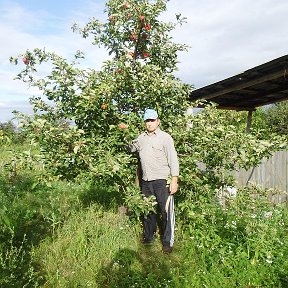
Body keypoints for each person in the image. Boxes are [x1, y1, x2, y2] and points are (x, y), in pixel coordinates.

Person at [128, 108, 179, 254]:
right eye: (147, 120)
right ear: (144, 122)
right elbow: (132, 149)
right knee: (148, 210)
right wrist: (123, 136)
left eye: (152, 120)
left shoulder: (165, 138)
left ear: (158, 121)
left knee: (166, 211)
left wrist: (174, 179)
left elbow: (173, 159)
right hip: (146, 181)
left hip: (162, 181)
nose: (150, 123)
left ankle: (167, 242)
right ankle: (149, 237)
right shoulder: (141, 138)